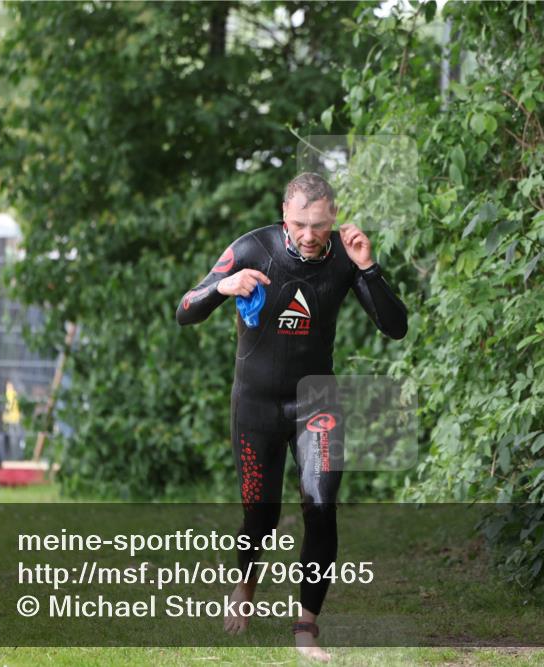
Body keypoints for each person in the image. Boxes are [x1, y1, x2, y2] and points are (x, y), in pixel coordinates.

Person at [176, 172, 408, 662]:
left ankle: (306, 626)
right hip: (255, 403)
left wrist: (368, 269)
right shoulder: (251, 249)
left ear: (333, 218)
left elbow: (395, 326)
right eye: (300, 223)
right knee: (260, 514)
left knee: (321, 508)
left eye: (319, 225)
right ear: (285, 214)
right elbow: (185, 308)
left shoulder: (346, 255)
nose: (308, 235)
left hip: (315, 401)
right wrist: (224, 287)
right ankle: (244, 584)